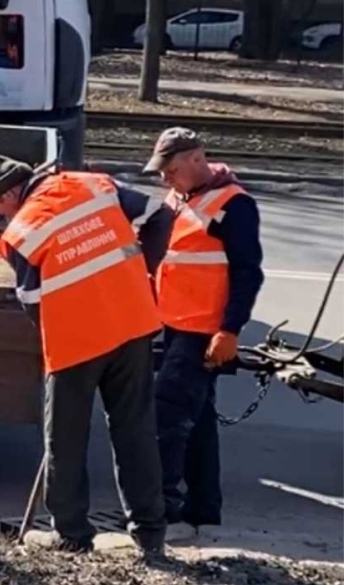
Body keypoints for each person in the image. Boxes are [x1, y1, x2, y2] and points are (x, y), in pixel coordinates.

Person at [0, 155, 168, 557]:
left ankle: (71, 534)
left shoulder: (24, 230)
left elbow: (32, 301)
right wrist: (141, 273)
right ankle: (150, 534)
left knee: (64, 440)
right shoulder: (94, 185)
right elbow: (160, 213)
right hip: (133, 324)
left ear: (10, 193)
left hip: (76, 342)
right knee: (135, 431)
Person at [142, 128, 264, 536]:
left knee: (168, 414)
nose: (165, 180)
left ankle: (164, 513)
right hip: (175, 324)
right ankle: (203, 511)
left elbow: (248, 273)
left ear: (197, 160)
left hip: (203, 331)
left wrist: (229, 331)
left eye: (171, 171)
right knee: (199, 422)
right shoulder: (181, 196)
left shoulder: (235, 205)